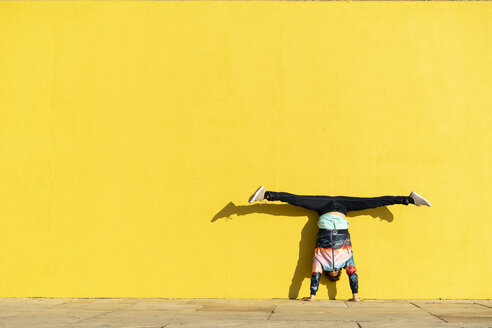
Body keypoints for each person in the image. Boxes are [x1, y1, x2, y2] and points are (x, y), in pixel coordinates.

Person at [248, 186, 431, 302]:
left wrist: (312, 297)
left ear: (329, 273)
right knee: (373, 202)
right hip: (343, 208)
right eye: (337, 274)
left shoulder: (319, 261)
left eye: (333, 274)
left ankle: (266, 194)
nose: (335, 272)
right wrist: (356, 297)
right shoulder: (347, 260)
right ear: (339, 272)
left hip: (324, 207)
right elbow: (353, 275)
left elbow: (314, 276)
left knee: (297, 199)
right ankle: (409, 199)